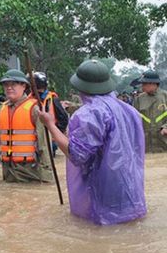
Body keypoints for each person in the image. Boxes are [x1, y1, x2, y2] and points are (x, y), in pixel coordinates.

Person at [38, 60, 147, 225]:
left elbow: (76, 154)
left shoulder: (90, 113)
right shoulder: (128, 109)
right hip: (131, 189)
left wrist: (50, 125)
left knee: (104, 237)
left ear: (80, 87)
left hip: (105, 190)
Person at [32, 72, 68, 157]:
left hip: (50, 139)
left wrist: (56, 133)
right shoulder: (31, 98)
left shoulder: (52, 99)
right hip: (35, 138)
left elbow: (63, 118)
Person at [133, 70, 167, 153]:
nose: (142, 87)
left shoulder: (165, 96)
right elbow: (134, 118)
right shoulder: (139, 99)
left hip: (163, 141)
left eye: (144, 84)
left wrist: (166, 127)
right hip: (146, 144)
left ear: (153, 84)